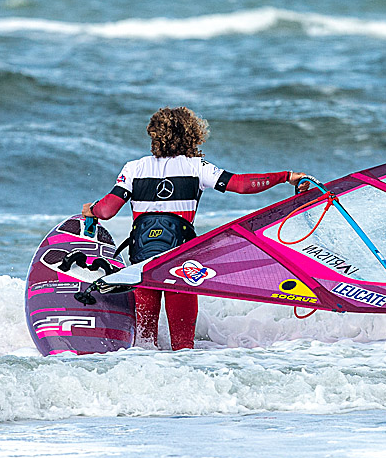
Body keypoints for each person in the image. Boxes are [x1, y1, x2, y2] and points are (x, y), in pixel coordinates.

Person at [82, 106, 309, 351]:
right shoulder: (196, 167)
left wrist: (91, 209)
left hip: (143, 262)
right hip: (180, 262)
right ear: (192, 134)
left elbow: (107, 210)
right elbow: (241, 185)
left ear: (154, 135)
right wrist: (286, 176)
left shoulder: (133, 168)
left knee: (143, 344)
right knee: (183, 347)